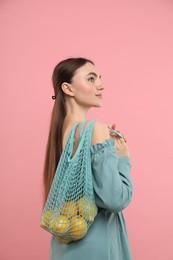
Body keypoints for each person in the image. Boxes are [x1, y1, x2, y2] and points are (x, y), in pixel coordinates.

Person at [42, 57, 133, 260]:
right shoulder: (94, 129)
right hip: (97, 246)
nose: (101, 85)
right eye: (91, 79)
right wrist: (122, 158)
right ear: (68, 88)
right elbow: (115, 199)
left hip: (65, 247)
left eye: (100, 78)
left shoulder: (59, 133)